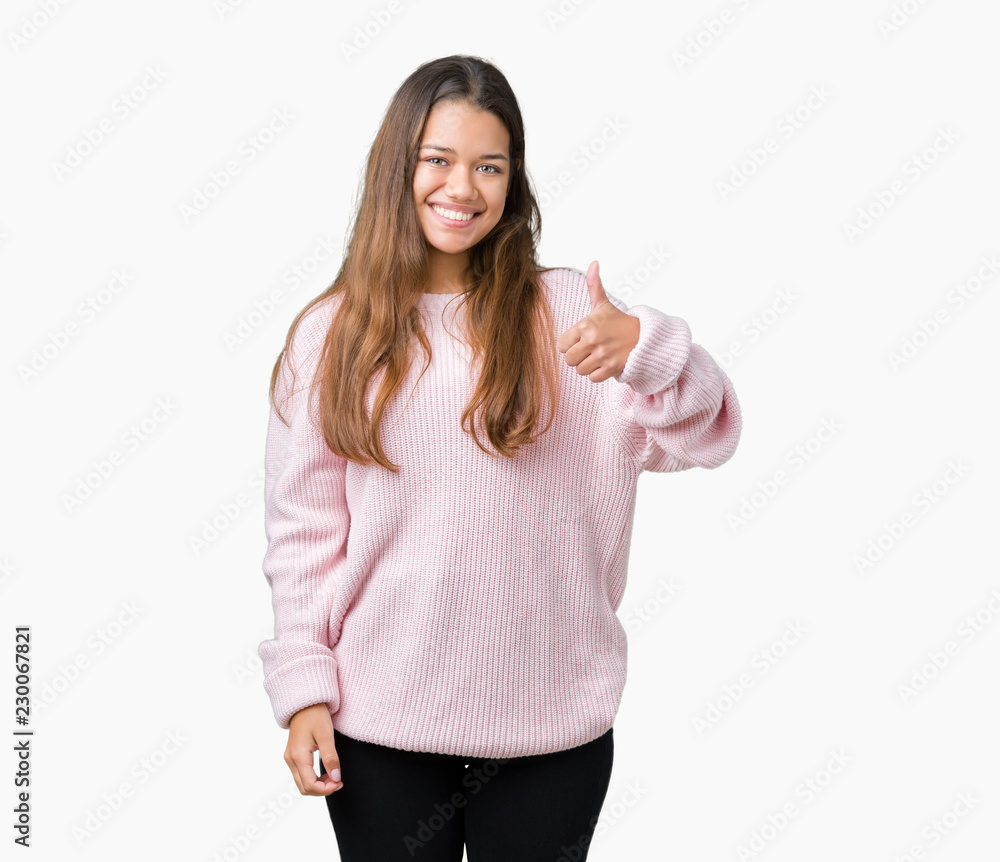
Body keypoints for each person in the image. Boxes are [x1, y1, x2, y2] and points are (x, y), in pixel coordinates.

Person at [257, 54, 742, 862]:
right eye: (438, 161)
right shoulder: (332, 334)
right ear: (397, 167)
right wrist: (303, 689)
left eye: (490, 166)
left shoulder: (571, 315)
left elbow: (706, 437)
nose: (462, 188)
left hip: (554, 728)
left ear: (514, 182)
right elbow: (304, 531)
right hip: (380, 727)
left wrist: (649, 349)